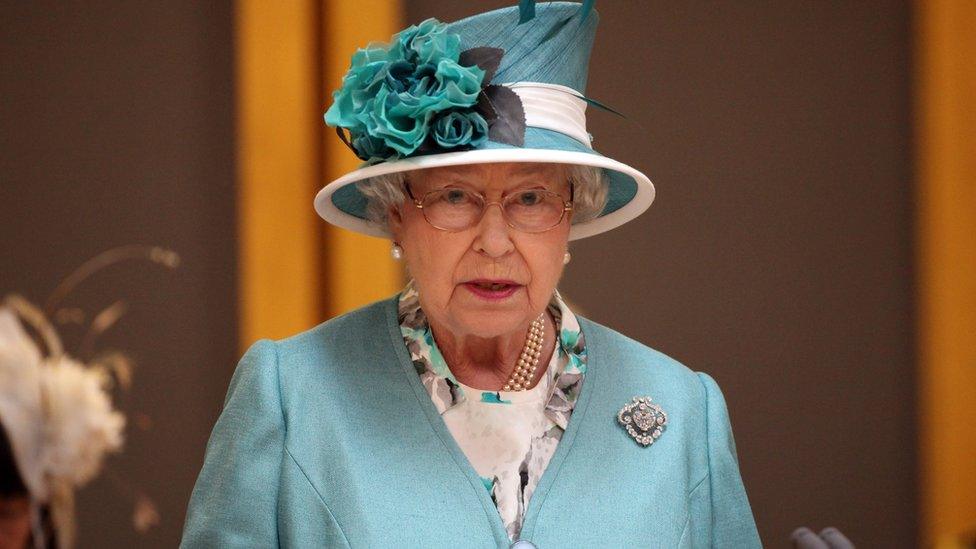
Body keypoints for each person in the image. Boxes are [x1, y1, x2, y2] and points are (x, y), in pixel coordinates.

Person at [181, 2, 762, 547]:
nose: (494, 242)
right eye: (455, 197)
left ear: (571, 219)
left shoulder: (685, 409)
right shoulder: (290, 394)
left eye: (531, 199)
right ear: (395, 216)